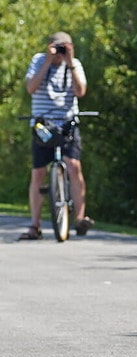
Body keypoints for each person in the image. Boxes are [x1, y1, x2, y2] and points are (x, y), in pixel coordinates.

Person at [20, 31, 93, 240]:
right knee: (38, 173)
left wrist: (69, 61)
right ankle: (35, 225)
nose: (60, 52)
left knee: (74, 166)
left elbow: (80, 91)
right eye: (57, 47)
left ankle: (80, 218)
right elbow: (31, 88)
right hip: (43, 125)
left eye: (64, 48)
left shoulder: (74, 64)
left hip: (68, 123)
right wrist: (48, 61)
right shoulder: (38, 61)